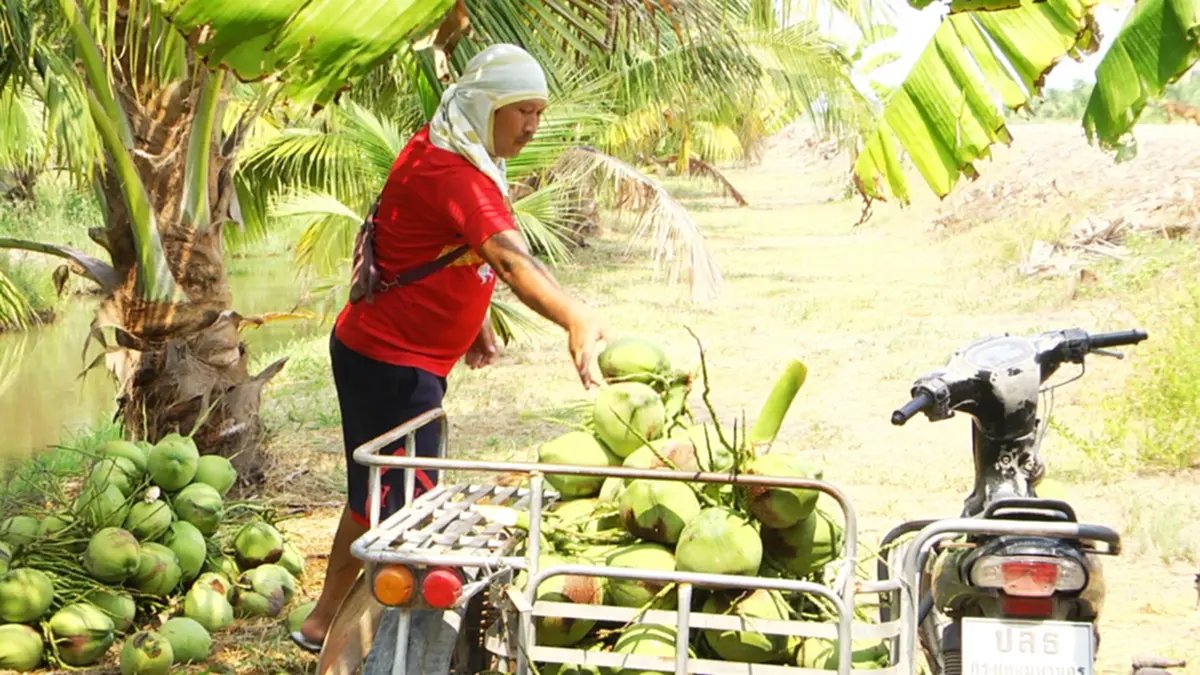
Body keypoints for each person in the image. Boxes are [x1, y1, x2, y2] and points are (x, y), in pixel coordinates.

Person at [292, 44, 610, 652]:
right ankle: (339, 648)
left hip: (385, 356)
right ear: (485, 107)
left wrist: (475, 317)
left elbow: (426, 245)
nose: (533, 126)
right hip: (392, 365)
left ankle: (321, 618)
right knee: (396, 522)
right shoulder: (458, 174)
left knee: (374, 498)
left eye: (539, 111)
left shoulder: (441, 145)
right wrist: (573, 314)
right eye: (522, 111)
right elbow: (510, 261)